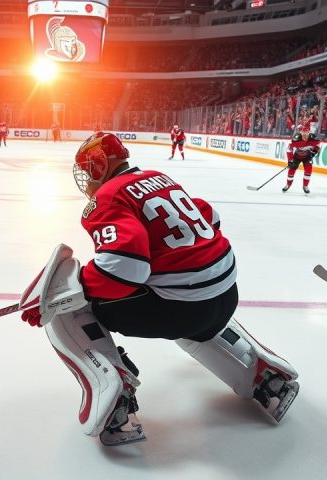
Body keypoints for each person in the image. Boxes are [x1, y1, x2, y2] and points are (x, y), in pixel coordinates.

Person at [18, 132, 299, 446]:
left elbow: (125, 269)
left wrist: (68, 290)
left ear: (99, 165)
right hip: (226, 297)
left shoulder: (108, 196)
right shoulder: (158, 178)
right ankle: (261, 374)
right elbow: (209, 216)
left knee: (62, 304)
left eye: (88, 170)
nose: (87, 178)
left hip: (179, 310)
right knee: (187, 297)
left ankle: (113, 395)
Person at [282, 124, 320, 194]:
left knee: (308, 170)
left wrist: (313, 153)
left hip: (307, 156)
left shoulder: (313, 138)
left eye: (306, 133)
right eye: (303, 133)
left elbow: (318, 146)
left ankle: (305, 186)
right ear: (301, 133)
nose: (305, 135)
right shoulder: (296, 138)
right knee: (291, 170)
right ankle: (288, 185)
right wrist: (290, 160)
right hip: (297, 156)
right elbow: (289, 149)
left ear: (309, 132)